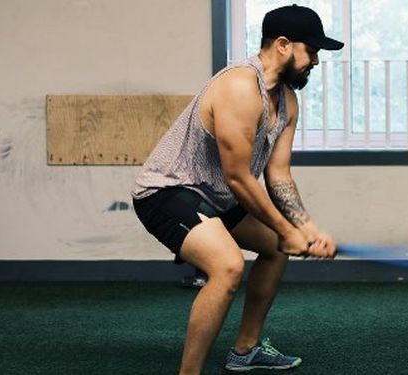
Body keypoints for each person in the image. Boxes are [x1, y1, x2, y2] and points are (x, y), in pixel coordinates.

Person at [131, 5, 343, 374]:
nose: (316, 61)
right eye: (312, 50)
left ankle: (245, 349)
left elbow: (278, 175)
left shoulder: (287, 101)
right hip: (168, 191)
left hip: (215, 196)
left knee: (277, 249)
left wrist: (305, 228)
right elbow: (240, 178)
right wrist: (286, 229)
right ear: (282, 45)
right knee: (228, 267)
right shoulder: (239, 87)